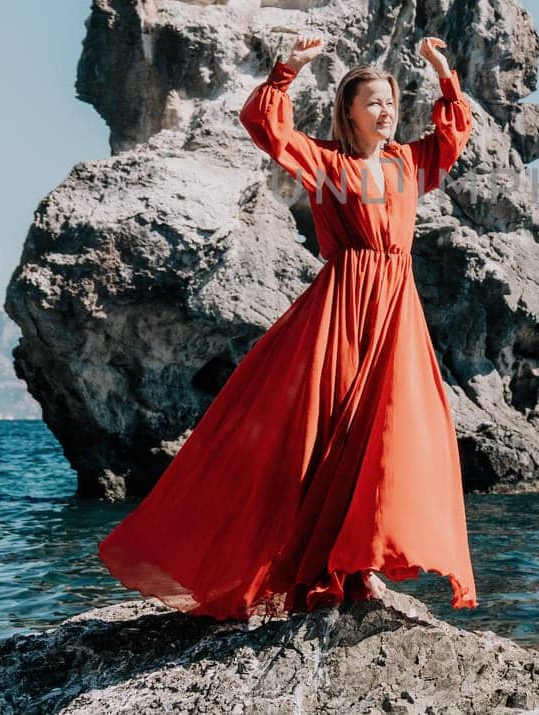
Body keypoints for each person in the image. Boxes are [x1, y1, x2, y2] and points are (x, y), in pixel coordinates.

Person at [96, 33, 479, 620]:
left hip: (397, 304)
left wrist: (444, 72)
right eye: (374, 102)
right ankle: (320, 565)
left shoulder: (408, 162)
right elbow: (266, 128)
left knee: (386, 434)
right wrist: (287, 71)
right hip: (344, 304)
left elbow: (454, 135)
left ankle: (363, 563)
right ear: (349, 110)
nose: (386, 111)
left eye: (392, 103)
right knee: (329, 433)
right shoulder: (326, 162)